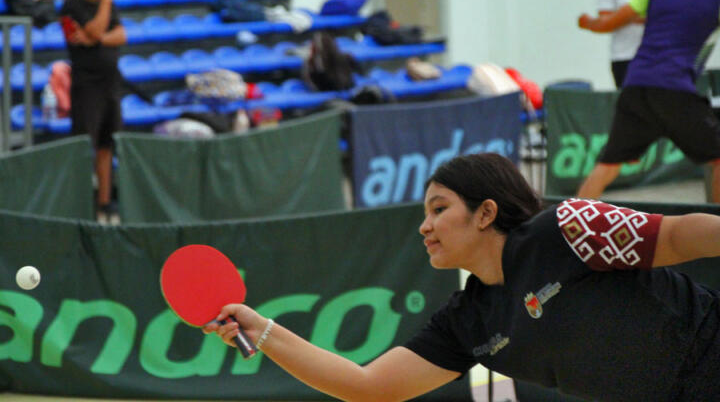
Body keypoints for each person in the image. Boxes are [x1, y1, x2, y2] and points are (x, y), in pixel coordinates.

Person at [205, 152, 720, 401]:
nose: (424, 226)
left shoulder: (567, 228)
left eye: (438, 208)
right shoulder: (468, 323)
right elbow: (368, 386)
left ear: (485, 212)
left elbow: (680, 236)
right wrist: (263, 331)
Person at [576, 0, 720, 203]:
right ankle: (715, 230)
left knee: (607, 165)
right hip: (674, 89)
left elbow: (608, 22)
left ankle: (566, 224)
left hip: (637, 83)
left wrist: (587, 23)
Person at [59, 0, 126, 224]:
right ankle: (80, 204)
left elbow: (120, 35)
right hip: (87, 87)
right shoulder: (72, 4)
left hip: (111, 84)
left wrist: (95, 39)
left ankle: (105, 203)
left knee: (107, 145)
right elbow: (98, 29)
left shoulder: (105, 5)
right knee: (85, 145)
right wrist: (105, 7)